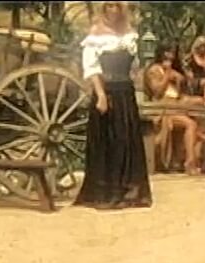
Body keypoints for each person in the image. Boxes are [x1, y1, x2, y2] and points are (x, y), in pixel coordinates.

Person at [75, 1, 151, 209]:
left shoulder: (130, 34)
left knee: (126, 139)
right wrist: (100, 95)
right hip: (107, 91)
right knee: (109, 139)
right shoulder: (96, 35)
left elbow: (135, 66)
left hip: (125, 92)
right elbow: (92, 69)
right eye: (109, 6)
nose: (113, 10)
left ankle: (129, 190)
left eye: (116, 6)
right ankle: (107, 192)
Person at [144, 44, 205, 174]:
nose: (170, 56)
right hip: (163, 108)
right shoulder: (154, 70)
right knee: (191, 124)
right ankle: (190, 162)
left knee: (200, 107)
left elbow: (178, 93)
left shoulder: (174, 71)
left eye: (172, 53)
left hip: (176, 104)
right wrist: (167, 75)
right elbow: (157, 93)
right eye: (168, 53)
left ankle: (194, 156)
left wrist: (179, 80)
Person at [183, 36, 205, 105]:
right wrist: (188, 73)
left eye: (204, 47)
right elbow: (186, 70)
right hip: (196, 82)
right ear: (197, 47)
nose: (203, 49)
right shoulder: (190, 58)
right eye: (201, 46)